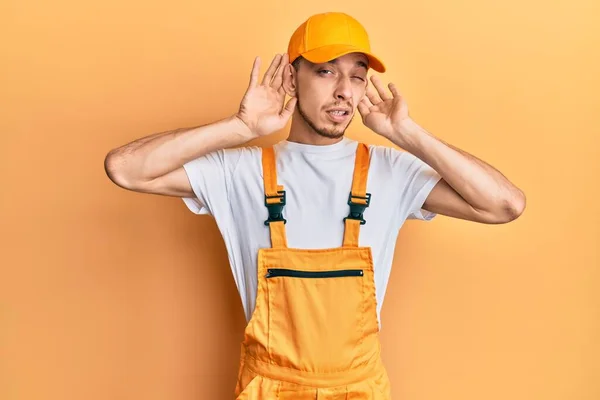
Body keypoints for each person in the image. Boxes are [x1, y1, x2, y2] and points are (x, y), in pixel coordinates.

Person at [104, 11, 525, 399]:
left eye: (357, 77)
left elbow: (504, 205)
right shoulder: (240, 172)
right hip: (268, 390)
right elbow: (126, 169)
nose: (344, 91)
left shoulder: (391, 170)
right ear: (292, 76)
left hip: (360, 389)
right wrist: (240, 127)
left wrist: (407, 134)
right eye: (326, 72)